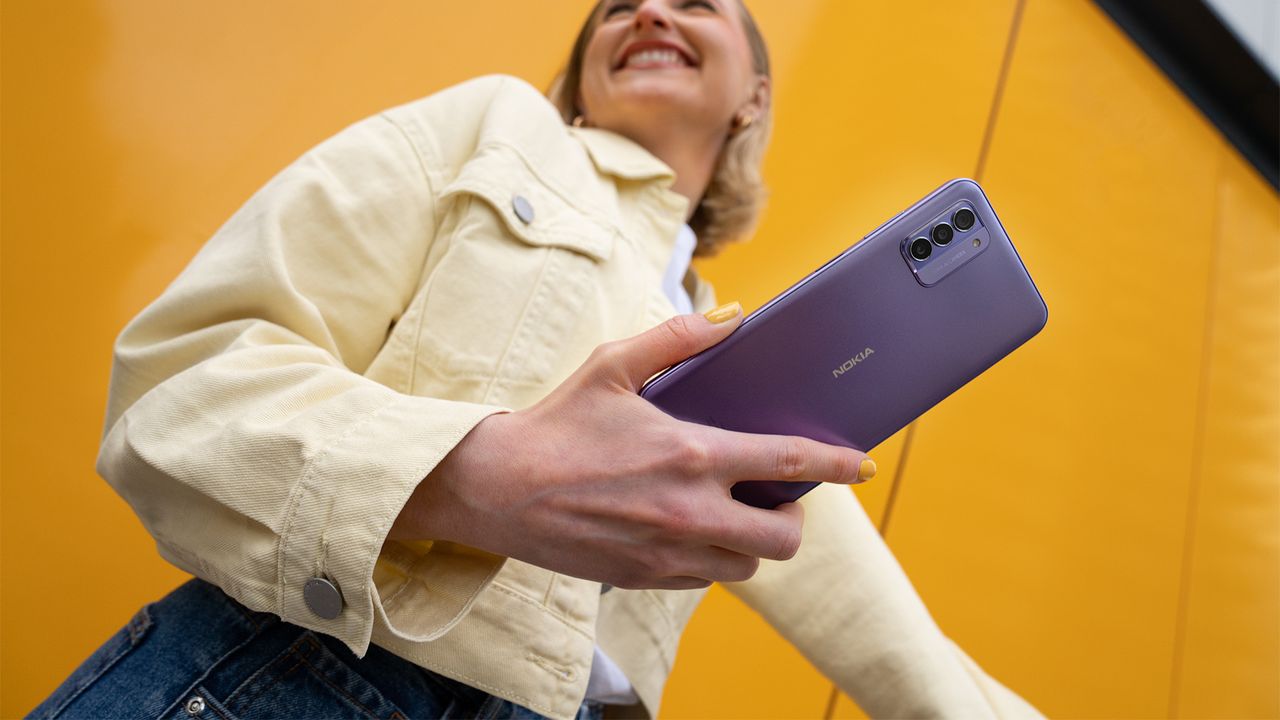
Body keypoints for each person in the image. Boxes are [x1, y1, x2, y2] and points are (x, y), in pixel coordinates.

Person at [31, 1, 1044, 719]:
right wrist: (474, 475)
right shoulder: (494, 128)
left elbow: (898, 648)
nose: (646, 11)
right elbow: (179, 378)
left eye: (692, 4)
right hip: (303, 681)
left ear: (751, 97)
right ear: (577, 76)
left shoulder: (745, 352)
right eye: (614, 10)